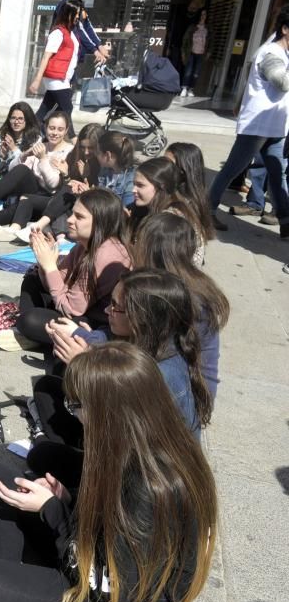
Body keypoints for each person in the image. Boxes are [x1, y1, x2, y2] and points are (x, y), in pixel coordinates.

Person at [0, 341, 217, 602]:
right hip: (96, 559)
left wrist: (51, 510)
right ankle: (8, 592)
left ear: (109, 413)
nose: (74, 414)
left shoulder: (147, 489)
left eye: (77, 406)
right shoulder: (148, 442)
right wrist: (68, 498)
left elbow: (101, 580)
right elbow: (105, 524)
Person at [46, 269, 214, 439]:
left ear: (141, 317)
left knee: (43, 448)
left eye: (114, 306)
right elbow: (107, 339)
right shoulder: (159, 340)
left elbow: (110, 427)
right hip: (125, 441)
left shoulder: (159, 373)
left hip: (138, 457)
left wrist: (83, 367)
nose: (106, 310)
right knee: (49, 387)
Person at [0, 188, 131, 351]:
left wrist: (50, 266)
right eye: (72, 214)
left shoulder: (107, 254)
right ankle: (31, 335)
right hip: (77, 307)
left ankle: (30, 333)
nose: (70, 220)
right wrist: (44, 261)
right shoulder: (83, 245)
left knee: (29, 320)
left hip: (96, 325)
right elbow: (60, 282)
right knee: (33, 278)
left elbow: (71, 309)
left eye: (79, 217)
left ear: (101, 222)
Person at [208, 5, 289, 236]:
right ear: (285, 29)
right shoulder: (271, 53)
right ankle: (207, 210)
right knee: (233, 168)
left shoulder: (283, 53)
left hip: (275, 126)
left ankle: (285, 219)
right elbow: (281, 82)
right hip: (258, 126)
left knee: (277, 173)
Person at [131, 213, 228, 396]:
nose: (133, 245)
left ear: (153, 249)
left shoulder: (174, 299)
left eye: (137, 240)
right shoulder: (189, 283)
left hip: (183, 397)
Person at [0, 122, 103, 243]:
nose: (86, 152)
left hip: (84, 204)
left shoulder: (101, 163)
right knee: (27, 198)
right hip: (64, 200)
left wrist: (85, 178)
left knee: (65, 197)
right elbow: (61, 188)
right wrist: (66, 176)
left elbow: (102, 196)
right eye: (82, 147)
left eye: (91, 148)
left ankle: (43, 228)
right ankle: (13, 228)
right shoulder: (73, 155)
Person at [0, 111, 74, 231]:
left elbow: (53, 185)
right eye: (52, 128)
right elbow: (14, 172)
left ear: (66, 130)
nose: (55, 133)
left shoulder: (69, 151)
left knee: (18, 206)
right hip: (31, 191)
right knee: (22, 170)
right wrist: (24, 155)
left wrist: (43, 159)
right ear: (46, 128)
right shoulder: (41, 146)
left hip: (50, 200)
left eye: (60, 129)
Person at [132, 158, 209, 265]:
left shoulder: (169, 222)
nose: (133, 190)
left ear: (161, 187)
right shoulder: (176, 204)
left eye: (140, 185)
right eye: (134, 184)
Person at [29, 0, 82, 134]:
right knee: (67, 109)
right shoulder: (58, 33)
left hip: (63, 78)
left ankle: (31, 133)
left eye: (79, 14)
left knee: (45, 109)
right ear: (67, 14)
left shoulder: (71, 33)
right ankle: (73, 139)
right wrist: (37, 80)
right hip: (55, 78)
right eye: (75, 13)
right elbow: (46, 56)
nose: (77, 17)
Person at [0, 102, 42, 185]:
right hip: (2, 177)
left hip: (21, 180)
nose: (16, 122)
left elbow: (25, 168)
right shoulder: (4, 135)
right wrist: (3, 157)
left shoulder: (35, 138)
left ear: (27, 120)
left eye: (20, 119)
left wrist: (14, 149)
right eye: (13, 118)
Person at [166, 143, 217, 244]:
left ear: (184, 171)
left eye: (168, 164)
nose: (162, 167)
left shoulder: (181, 206)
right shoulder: (198, 197)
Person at [54, 0, 111, 64]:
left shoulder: (79, 3)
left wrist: (99, 45)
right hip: (63, 54)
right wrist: (94, 50)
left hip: (73, 54)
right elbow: (78, 29)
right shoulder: (68, 4)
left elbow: (87, 26)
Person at [181, 8, 209, 97]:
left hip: (201, 53)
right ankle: (184, 88)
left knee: (196, 73)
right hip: (191, 52)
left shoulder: (207, 28)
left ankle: (191, 89)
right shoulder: (192, 27)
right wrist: (183, 52)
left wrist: (209, 52)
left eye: (204, 15)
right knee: (188, 71)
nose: (203, 17)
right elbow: (185, 40)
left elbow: (211, 41)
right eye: (201, 14)